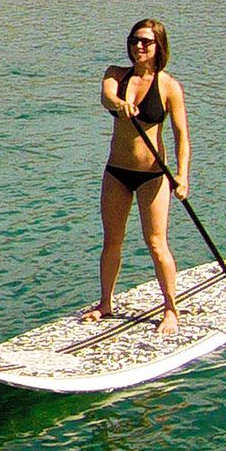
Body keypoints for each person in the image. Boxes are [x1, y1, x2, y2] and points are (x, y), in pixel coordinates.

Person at [81, 19, 192, 334]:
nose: (138, 46)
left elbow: (182, 136)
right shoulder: (116, 74)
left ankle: (171, 310)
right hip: (117, 173)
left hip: (153, 177)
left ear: (159, 46)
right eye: (134, 40)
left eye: (146, 42)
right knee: (111, 241)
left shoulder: (169, 86)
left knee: (157, 244)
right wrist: (119, 104)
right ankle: (105, 303)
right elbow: (106, 97)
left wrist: (182, 176)